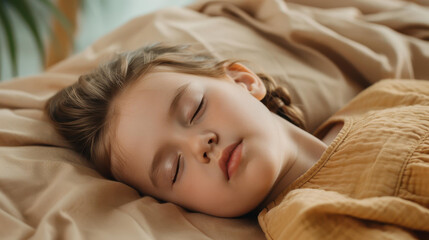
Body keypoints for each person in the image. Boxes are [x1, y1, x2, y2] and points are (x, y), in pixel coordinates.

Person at [46, 43, 429, 238]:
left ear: (244, 81)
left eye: (195, 110)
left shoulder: (384, 96)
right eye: (173, 167)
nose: (200, 146)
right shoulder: (307, 222)